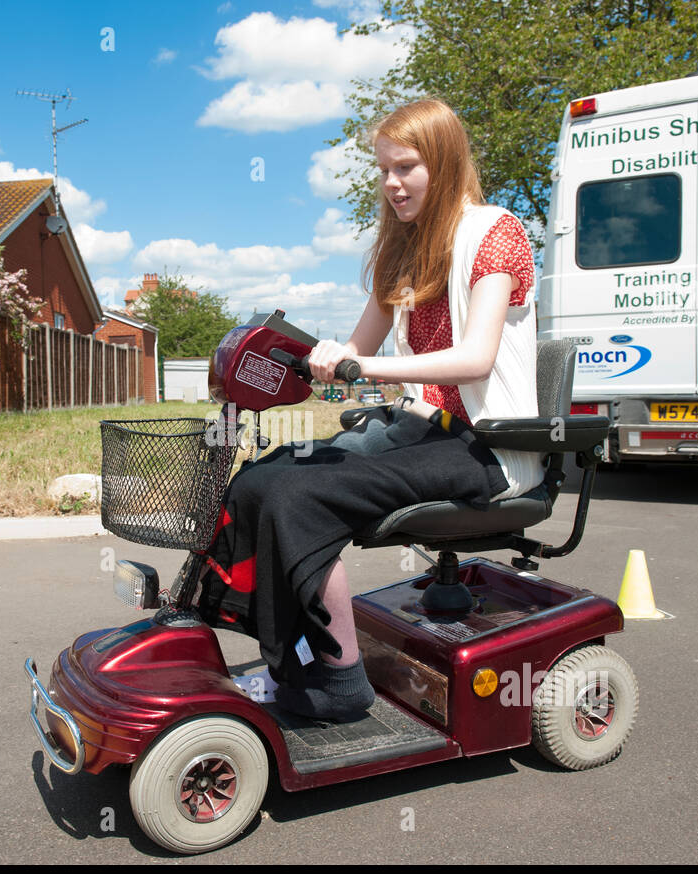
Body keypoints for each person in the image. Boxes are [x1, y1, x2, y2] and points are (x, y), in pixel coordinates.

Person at [196, 98, 543, 722]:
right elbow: (356, 350)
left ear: (443, 162)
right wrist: (302, 359)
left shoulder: (496, 232)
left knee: (300, 497)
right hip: (418, 429)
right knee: (259, 480)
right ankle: (288, 654)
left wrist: (364, 369)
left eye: (406, 168)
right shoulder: (400, 251)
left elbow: (477, 359)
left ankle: (342, 680)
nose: (391, 183)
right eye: (383, 169)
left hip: (487, 446)